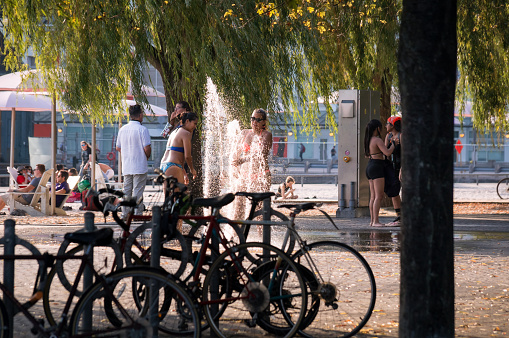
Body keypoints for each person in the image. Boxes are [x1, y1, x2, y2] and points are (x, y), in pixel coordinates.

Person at [231, 108, 273, 219]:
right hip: (244, 176)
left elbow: (261, 154)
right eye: (253, 119)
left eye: (258, 120)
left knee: (260, 211)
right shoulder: (245, 132)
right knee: (238, 208)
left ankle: (262, 236)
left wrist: (242, 160)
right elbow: (235, 153)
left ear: (264, 122)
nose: (254, 122)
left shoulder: (266, 135)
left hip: (261, 176)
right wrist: (234, 168)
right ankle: (235, 235)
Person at [116, 104, 152, 217]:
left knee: (126, 190)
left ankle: (125, 214)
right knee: (138, 191)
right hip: (140, 165)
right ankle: (137, 214)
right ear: (140, 115)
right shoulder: (142, 129)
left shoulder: (122, 129)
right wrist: (146, 156)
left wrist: (128, 153)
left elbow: (118, 147)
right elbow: (147, 147)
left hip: (127, 165)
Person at [364, 119, 395, 227]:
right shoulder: (377, 140)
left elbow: (367, 155)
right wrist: (394, 145)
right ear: (377, 128)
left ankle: (372, 221)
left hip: (370, 166)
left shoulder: (368, 140)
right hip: (377, 167)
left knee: (373, 196)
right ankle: (376, 221)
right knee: (379, 196)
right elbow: (387, 153)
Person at [159, 112, 198, 185]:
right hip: (174, 166)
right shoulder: (186, 133)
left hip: (164, 164)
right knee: (180, 194)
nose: (195, 127)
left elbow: (179, 156)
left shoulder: (174, 132)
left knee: (168, 195)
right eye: (194, 123)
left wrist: (184, 174)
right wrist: (192, 170)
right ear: (187, 121)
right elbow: (187, 156)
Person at [385, 116, 402, 226]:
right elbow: (385, 151)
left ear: (393, 125)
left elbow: (406, 153)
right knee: (393, 192)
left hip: (401, 166)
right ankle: (399, 217)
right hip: (392, 166)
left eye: (387, 123)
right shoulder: (388, 136)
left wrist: (402, 168)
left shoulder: (402, 136)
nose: (386, 126)